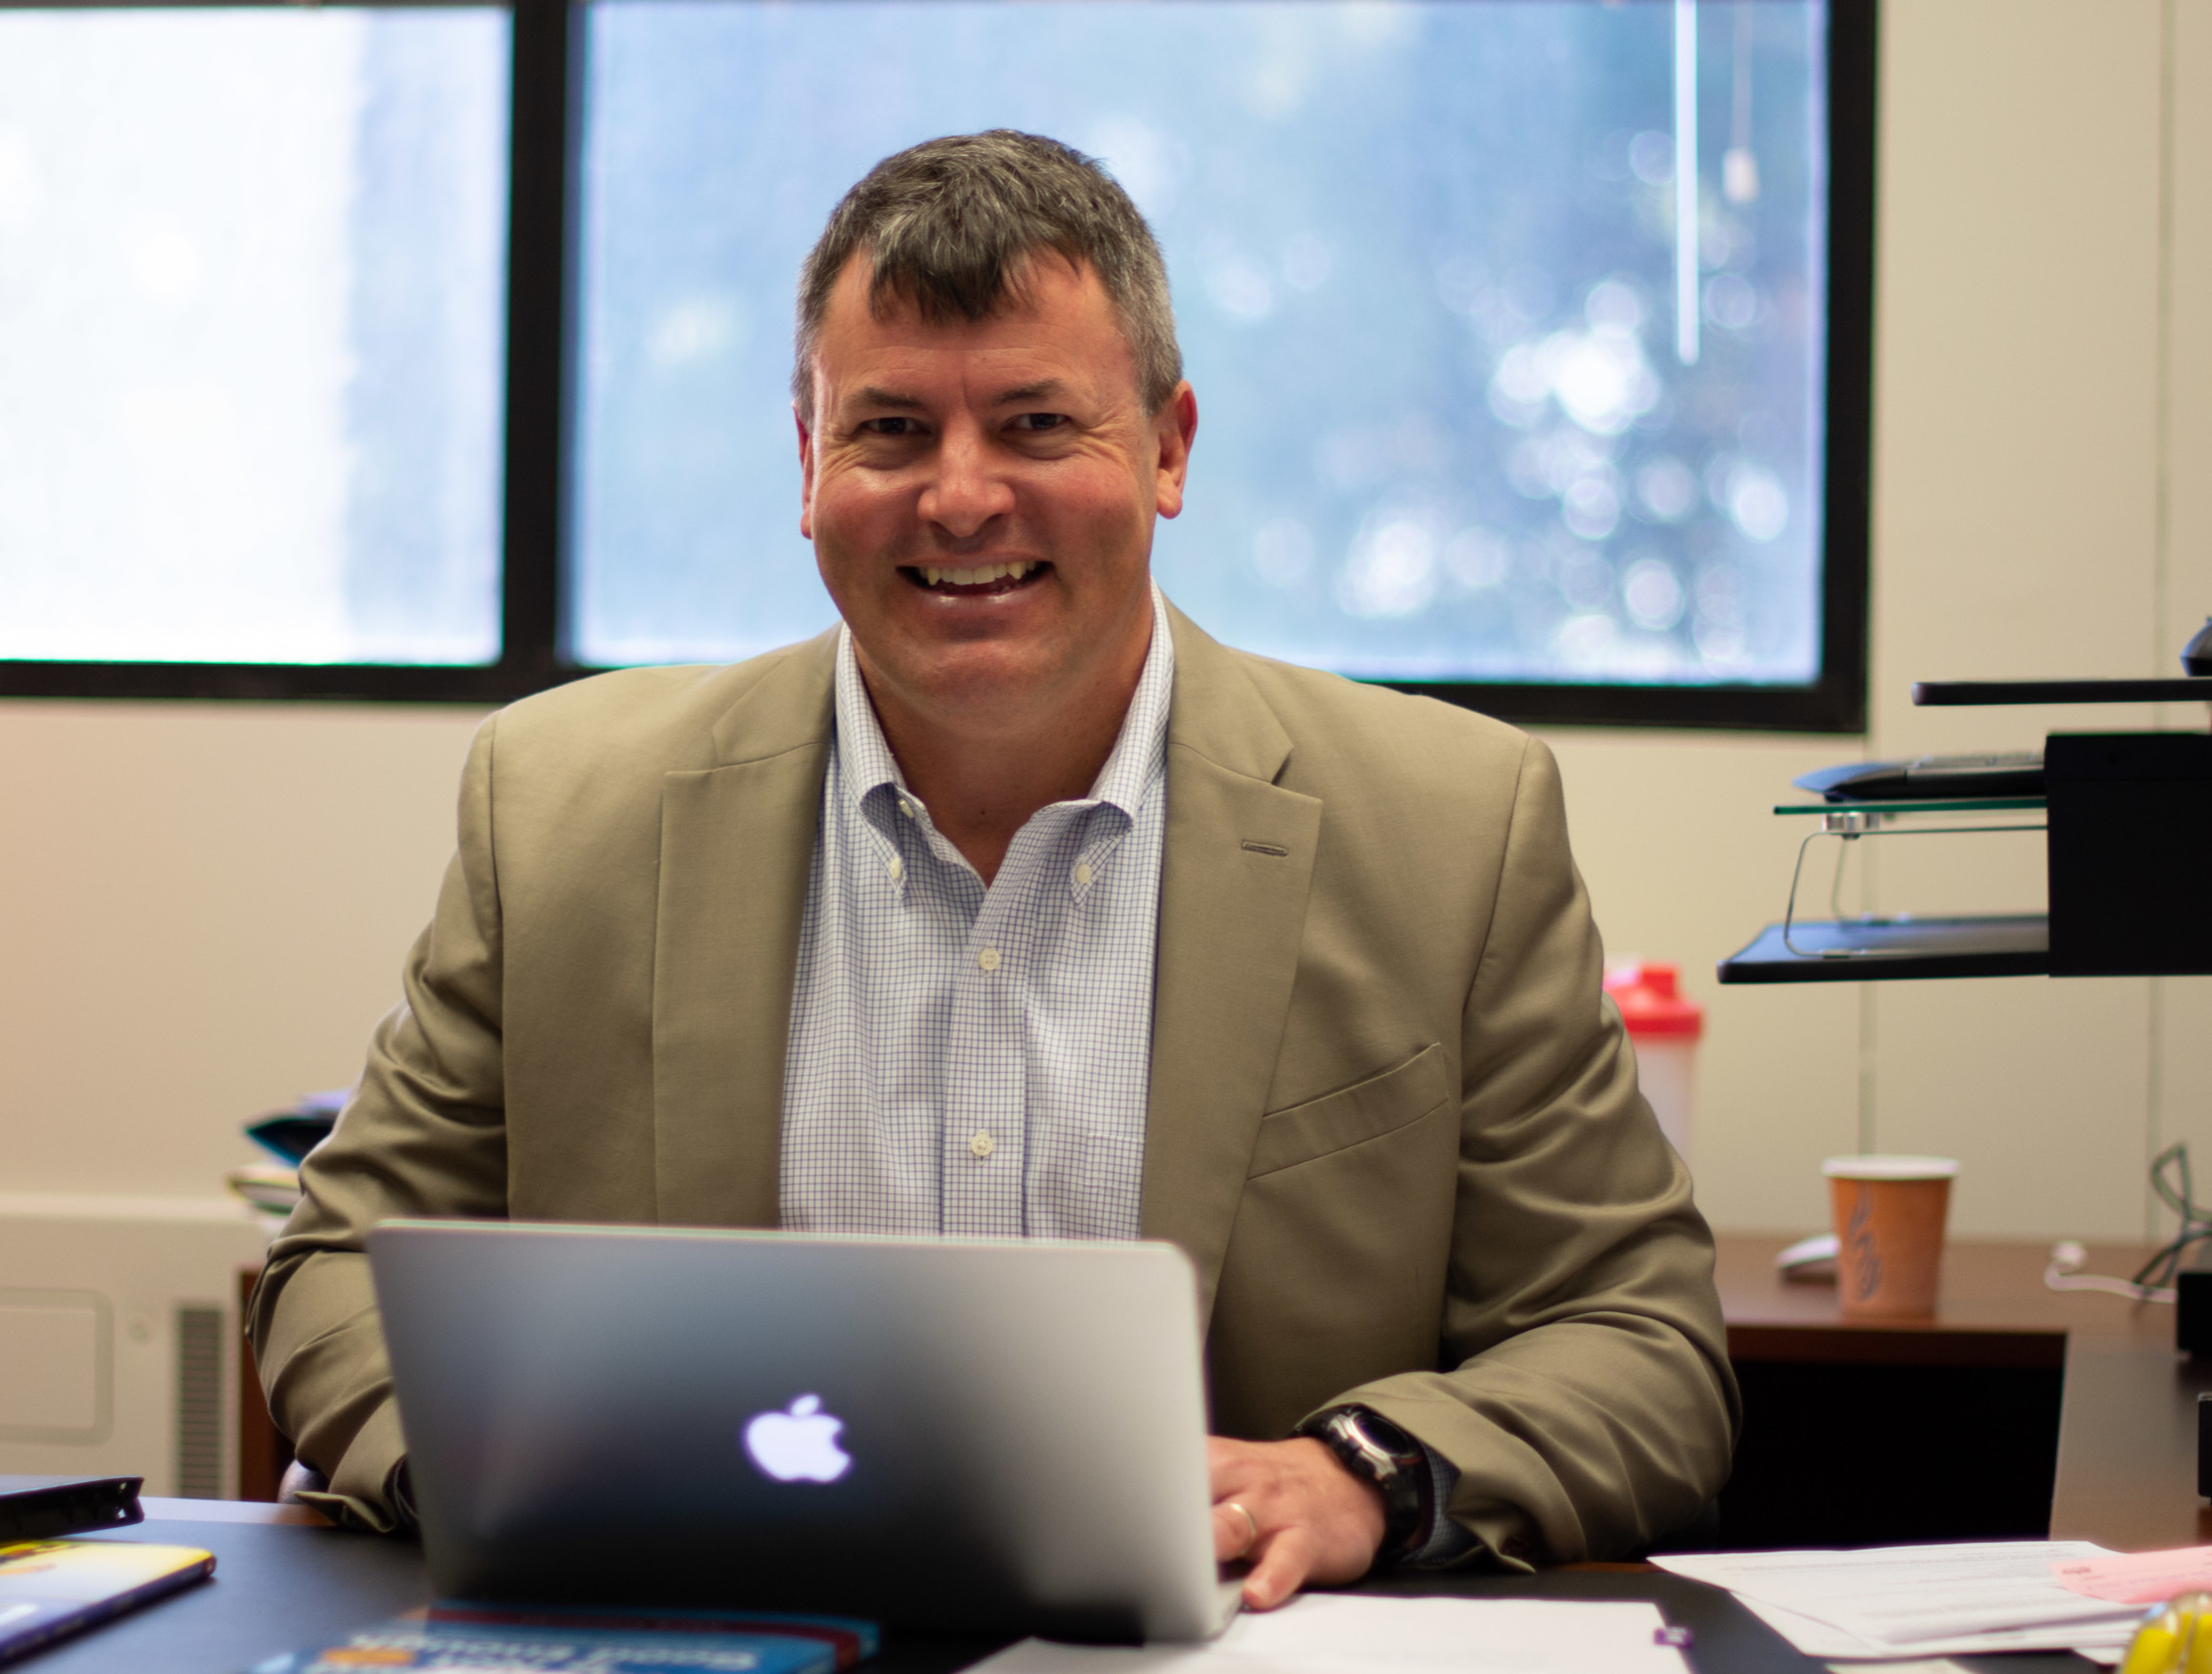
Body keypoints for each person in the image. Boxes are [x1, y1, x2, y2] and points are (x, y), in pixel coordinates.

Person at [253, 129, 1736, 1609]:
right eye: (890, 430)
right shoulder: (562, 809)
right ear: (808, 459)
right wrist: (529, 1479)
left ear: (1166, 450)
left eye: (1036, 425)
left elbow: (1638, 1340)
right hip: (711, 1630)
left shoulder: (1446, 827)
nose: (959, 499)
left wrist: (1359, 1474)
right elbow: (335, 1275)